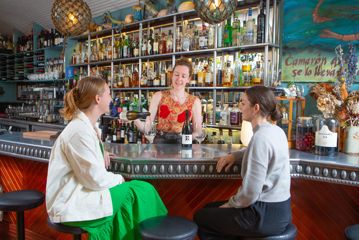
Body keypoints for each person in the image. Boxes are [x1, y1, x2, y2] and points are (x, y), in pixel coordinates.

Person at [46, 77, 167, 240]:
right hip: (70, 203)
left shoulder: (87, 126)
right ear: (98, 99)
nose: (111, 99)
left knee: (141, 191)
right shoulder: (79, 131)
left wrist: (100, 150)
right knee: (139, 191)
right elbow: (95, 179)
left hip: (82, 193)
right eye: (109, 94)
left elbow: (88, 156)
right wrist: (120, 179)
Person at [194, 86, 291, 239]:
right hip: (281, 211)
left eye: (243, 103)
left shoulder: (261, 138)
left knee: (201, 216)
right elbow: (260, 152)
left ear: (256, 108)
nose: (239, 107)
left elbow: (250, 194)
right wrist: (236, 156)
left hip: (262, 215)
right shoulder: (276, 131)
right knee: (209, 209)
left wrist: (230, 204)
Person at [134, 58, 202, 143]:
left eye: (183, 76)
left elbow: (198, 132)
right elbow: (147, 128)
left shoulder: (195, 101)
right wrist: (134, 119)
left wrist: (184, 139)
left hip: (183, 145)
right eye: (176, 74)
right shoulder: (158, 96)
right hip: (160, 146)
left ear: (188, 79)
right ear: (172, 75)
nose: (179, 79)